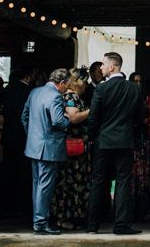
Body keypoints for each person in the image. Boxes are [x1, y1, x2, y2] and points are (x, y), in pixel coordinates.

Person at [87, 52, 143, 236]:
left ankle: (92, 225)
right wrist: (132, 134)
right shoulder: (134, 89)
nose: (101, 68)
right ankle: (120, 225)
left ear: (112, 67)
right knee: (123, 182)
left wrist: (92, 137)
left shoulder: (101, 89)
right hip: (125, 141)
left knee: (98, 181)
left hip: (103, 141)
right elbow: (139, 118)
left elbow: (93, 118)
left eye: (103, 64)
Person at [21, 67, 71, 235]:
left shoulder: (35, 92)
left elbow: (25, 116)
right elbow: (58, 121)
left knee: (37, 185)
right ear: (62, 83)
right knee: (45, 186)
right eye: (67, 85)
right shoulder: (56, 96)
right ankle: (41, 223)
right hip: (49, 148)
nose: (67, 88)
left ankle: (38, 219)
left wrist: (33, 135)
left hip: (33, 146)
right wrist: (68, 120)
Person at [51, 68, 91, 230]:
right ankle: (64, 218)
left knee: (68, 182)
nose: (87, 85)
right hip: (74, 150)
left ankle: (66, 217)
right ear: (78, 82)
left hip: (74, 147)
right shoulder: (71, 96)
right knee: (71, 183)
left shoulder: (66, 96)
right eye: (85, 81)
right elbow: (74, 117)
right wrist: (91, 110)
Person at [1, 66, 33, 218]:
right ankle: (22, 204)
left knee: (8, 169)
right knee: (23, 171)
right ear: (27, 77)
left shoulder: (7, 90)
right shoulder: (28, 92)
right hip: (23, 136)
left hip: (8, 135)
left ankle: (7, 203)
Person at [130, 72, 150, 222]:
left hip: (145, 140)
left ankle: (145, 210)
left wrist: (147, 116)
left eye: (139, 81)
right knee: (133, 177)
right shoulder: (128, 95)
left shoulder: (147, 98)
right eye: (135, 81)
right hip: (133, 139)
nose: (137, 84)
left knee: (145, 176)